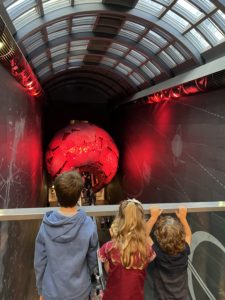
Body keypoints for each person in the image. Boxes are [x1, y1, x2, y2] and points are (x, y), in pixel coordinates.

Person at [34, 171, 98, 300]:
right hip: (80, 291)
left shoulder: (46, 225)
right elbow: (93, 260)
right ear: (81, 194)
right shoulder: (89, 225)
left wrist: (41, 289)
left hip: (52, 291)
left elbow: (39, 261)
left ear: (56, 195)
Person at [98, 199, 156, 300]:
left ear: (119, 220)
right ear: (141, 222)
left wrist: (114, 238)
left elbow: (108, 271)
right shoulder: (146, 249)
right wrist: (154, 218)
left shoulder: (109, 247)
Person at [147, 206, 192, 300]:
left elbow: (144, 234)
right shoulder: (184, 250)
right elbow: (188, 235)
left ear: (159, 237)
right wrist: (183, 219)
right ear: (181, 235)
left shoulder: (158, 253)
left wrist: (153, 217)